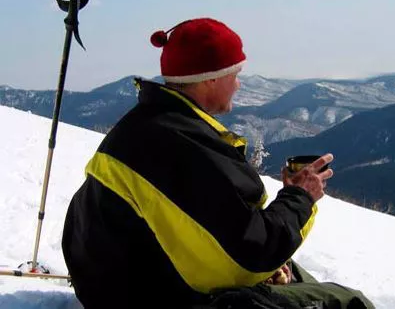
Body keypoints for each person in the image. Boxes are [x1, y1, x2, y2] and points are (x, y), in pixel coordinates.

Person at [62, 17, 374, 308]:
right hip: (155, 297)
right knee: (350, 301)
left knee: (291, 271)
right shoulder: (183, 147)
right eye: (234, 74)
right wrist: (301, 196)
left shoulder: (144, 125)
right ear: (209, 79)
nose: (239, 84)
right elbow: (250, 257)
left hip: (120, 286)